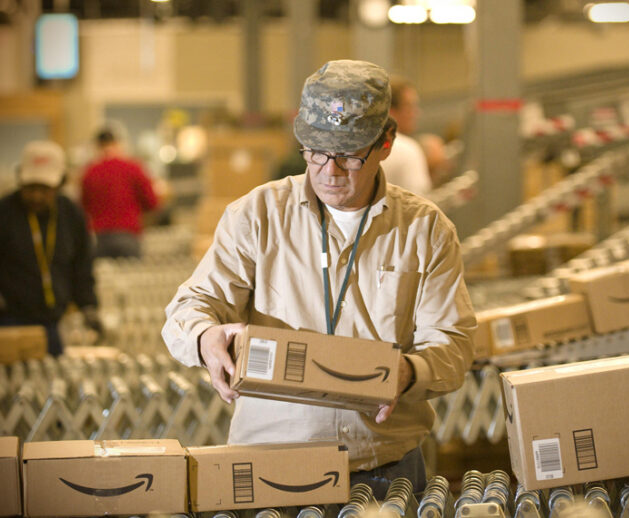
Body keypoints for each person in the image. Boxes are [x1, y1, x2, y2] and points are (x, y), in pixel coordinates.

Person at [162, 60, 475, 498]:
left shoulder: (424, 230)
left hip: (383, 468)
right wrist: (203, 337)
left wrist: (408, 372)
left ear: (385, 142)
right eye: (316, 152)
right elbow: (190, 306)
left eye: (348, 155)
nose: (329, 170)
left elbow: (454, 344)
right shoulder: (257, 216)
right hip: (271, 465)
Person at [0, 140, 101, 356]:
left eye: (45, 189)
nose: (37, 196)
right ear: (20, 179)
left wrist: (88, 305)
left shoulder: (71, 214)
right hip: (8, 321)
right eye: (30, 188)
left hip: (53, 323)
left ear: (60, 184)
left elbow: (82, 265)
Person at [81, 127, 159, 258]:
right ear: (118, 143)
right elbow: (152, 202)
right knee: (131, 271)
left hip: (101, 237)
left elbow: (84, 207)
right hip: (128, 234)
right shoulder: (133, 168)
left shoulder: (90, 172)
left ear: (97, 146)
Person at [380, 76, 433, 196]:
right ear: (390, 110)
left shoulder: (360, 147)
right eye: (410, 106)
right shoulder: (407, 150)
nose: (416, 113)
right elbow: (418, 201)